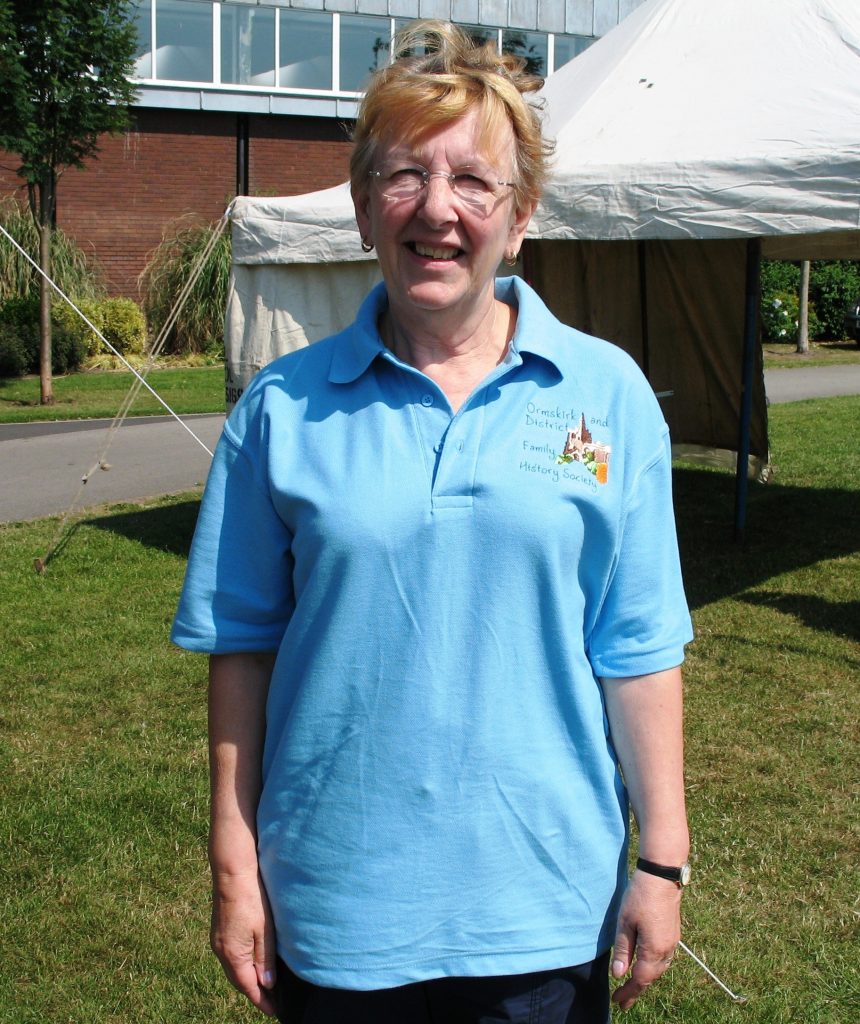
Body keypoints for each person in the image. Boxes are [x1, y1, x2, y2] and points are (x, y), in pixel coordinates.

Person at [172, 20, 694, 1024]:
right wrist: (234, 867)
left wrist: (661, 860)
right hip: (338, 905)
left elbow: (636, 644)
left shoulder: (606, 395)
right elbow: (242, 649)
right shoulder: (281, 410)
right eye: (404, 175)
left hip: (543, 908)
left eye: (473, 181)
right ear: (365, 206)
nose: (437, 208)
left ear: (520, 216)